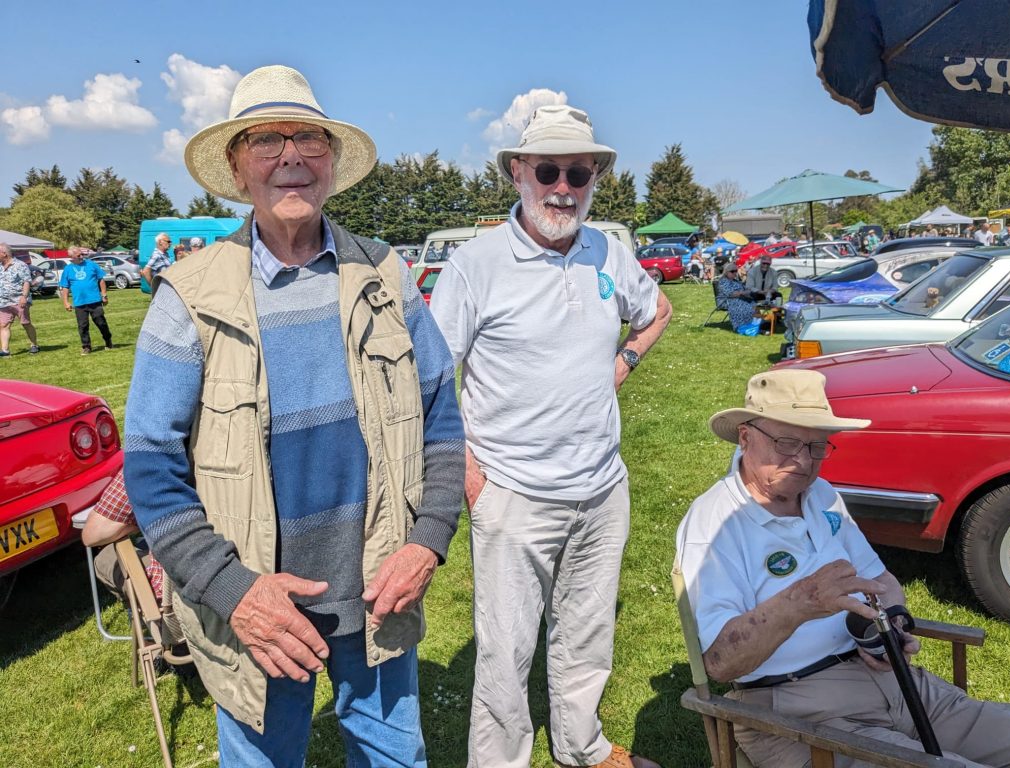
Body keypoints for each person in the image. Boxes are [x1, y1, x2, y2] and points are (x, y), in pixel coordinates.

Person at [122, 65, 465, 766]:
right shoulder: (189, 296)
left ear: (331, 160)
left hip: (379, 595)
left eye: (308, 139)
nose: (291, 157)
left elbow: (442, 419)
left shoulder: (386, 276)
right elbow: (151, 469)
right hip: (259, 613)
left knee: (397, 759)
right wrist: (233, 591)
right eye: (266, 140)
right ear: (236, 165)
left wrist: (426, 543)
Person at [431, 104, 671, 768]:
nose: (563, 188)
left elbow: (657, 310)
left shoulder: (608, 251)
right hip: (512, 493)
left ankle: (581, 747)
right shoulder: (474, 265)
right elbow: (432, 380)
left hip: (602, 486)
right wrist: (472, 478)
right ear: (517, 172)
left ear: (594, 179)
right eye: (548, 171)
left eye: (579, 173)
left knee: (588, 635)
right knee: (505, 654)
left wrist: (623, 363)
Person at [676, 370, 1010, 768]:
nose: (803, 461)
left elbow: (880, 580)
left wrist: (892, 625)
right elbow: (720, 663)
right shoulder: (715, 524)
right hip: (799, 712)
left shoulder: (820, 494)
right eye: (787, 442)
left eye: (817, 446)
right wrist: (801, 601)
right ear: (745, 437)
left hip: (894, 681)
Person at [82, 469, 186, 648]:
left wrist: (144, 521)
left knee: (105, 558)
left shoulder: (152, 459)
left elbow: (93, 533)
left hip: (179, 599)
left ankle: (157, 637)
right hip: (230, 584)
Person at [60, 246, 112, 355]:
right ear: (72, 257)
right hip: (79, 303)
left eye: (82, 254)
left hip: (94, 300)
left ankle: (108, 340)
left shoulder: (91, 264)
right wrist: (66, 302)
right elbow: (65, 287)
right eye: (78, 255)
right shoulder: (68, 269)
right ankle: (86, 346)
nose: (81, 256)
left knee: (101, 322)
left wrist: (104, 295)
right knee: (83, 326)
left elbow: (101, 280)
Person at [0, 243, 40, 356]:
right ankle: (5, 350)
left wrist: (24, 296)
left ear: (4, 253)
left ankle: (34, 345)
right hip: (3, 301)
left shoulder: (20, 265)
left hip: (19, 300)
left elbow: (26, 281)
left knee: (25, 323)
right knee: (3, 325)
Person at [716, 262, 758, 332]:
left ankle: (756, 324)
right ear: (726, 272)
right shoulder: (723, 281)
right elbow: (731, 294)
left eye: (736, 271)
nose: (735, 273)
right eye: (732, 271)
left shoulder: (736, 281)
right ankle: (742, 325)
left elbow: (745, 289)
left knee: (754, 303)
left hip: (739, 298)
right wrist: (743, 293)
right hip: (726, 301)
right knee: (745, 305)